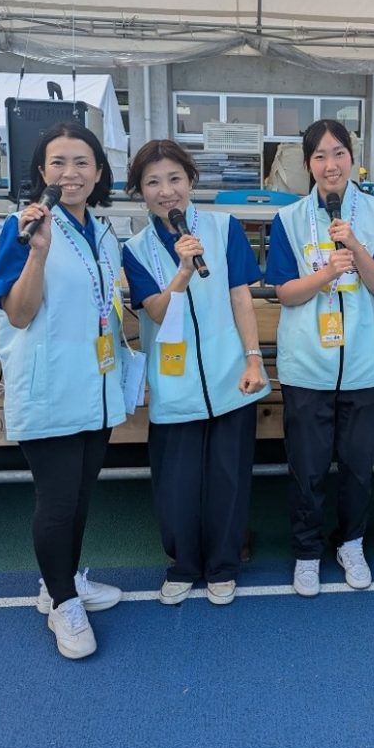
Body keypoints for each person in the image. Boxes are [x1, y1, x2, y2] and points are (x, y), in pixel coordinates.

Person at [0, 122, 125, 660]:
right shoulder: (22, 228)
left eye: (82, 162)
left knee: (82, 497)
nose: (71, 173)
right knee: (58, 500)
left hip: (97, 383)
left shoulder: (104, 233)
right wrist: (38, 254)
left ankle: (59, 582)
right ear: (42, 171)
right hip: (50, 385)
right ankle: (63, 604)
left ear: (98, 172)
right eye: (59, 163)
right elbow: (19, 314)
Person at [122, 140, 269, 608]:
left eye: (174, 179)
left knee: (229, 478)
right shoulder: (135, 250)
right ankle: (183, 564)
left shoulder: (224, 228)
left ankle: (224, 565)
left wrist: (253, 358)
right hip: (175, 385)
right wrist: (183, 271)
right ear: (139, 191)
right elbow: (157, 311)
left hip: (231, 375)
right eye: (153, 182)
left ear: (191, 181)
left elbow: (241, 297)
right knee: (177, 484)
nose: (166, 191)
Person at [265, 118, 374, 597]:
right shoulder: (288, 219)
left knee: (359, 468)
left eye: (338, 153)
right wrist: (325, 274)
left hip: (362, 366)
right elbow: (284, 292)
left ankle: (351, 543)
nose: (330, 165)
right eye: (319, 156)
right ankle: (307, 552)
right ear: (308, 164)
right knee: (308, 468)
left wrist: (356, 248)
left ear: (353, 159)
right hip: (307, 367)